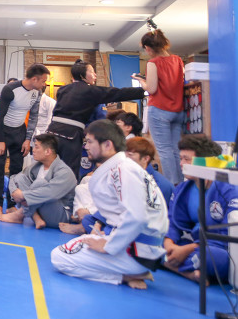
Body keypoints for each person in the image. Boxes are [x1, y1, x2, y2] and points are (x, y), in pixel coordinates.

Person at [51, 120, 168, 289]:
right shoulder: (121, 167)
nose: (86, 146)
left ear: (107, 145)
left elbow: (138, 216)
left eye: (90, 142)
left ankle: (125, 275)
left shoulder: (123, 170)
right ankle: (127, 272)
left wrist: (109, 246)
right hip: (134, 245)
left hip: (136, 251)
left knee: (60, 258)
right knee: (81, 242)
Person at [46, 59, 145, 178]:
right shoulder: (89, 90)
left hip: (52, 131)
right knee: (69, 171)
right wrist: (143, 90)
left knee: (50, 168)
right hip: (70, 136)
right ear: (83, 75)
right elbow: (117, 93)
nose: (95, 75)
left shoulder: (63, 89)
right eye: (92, 72)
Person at [163, 134, 237, 283]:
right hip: (192, 244)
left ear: (205, 162)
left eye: (187, 159)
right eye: (181, 158)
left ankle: (167, 263)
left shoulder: (229, 190)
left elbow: (227, 236)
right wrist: (168, 244)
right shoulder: (182, 189)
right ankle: (189, 273)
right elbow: (171, 223)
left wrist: (186, 250)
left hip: (218, 249)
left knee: (211, 257)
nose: (181, 164)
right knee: (149, 239)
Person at [0, 63, 50, 218]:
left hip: (19, 132)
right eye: (43, 81)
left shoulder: (37, 92)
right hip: (1, 130)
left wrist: (28, 139)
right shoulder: (10, 89)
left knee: (16, 170)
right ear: (34, 79)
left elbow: (34, 116)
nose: (44, 84)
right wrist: (0, 140)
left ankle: (11, 205)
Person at [132, 27, 185, 185]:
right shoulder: (177, 60)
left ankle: (172, 185)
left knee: (164, 150)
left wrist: (142, 82)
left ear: (148, 48)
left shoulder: (153, 63)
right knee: (176, 149)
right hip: (178, 110)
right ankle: (182, 184)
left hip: (160, 110)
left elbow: (152, 89)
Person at [0, 133, 76, 228]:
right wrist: (15, 192)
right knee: (20, 178)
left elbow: (50, 193)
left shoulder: (64, 172)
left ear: (48, 151)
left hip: (60, 216)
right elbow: (14, 179)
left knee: (40, 183)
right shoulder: (36, 167)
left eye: (36, 147)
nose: (33, 150)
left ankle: (20, 214)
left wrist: (23, 195)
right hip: (42, 211)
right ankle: (36, 218)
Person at [125, 137, 173, 205]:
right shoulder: (126, 175)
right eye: (124, 154)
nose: (125, 158)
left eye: (130, 155)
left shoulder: (159, 185)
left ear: (145, 159)